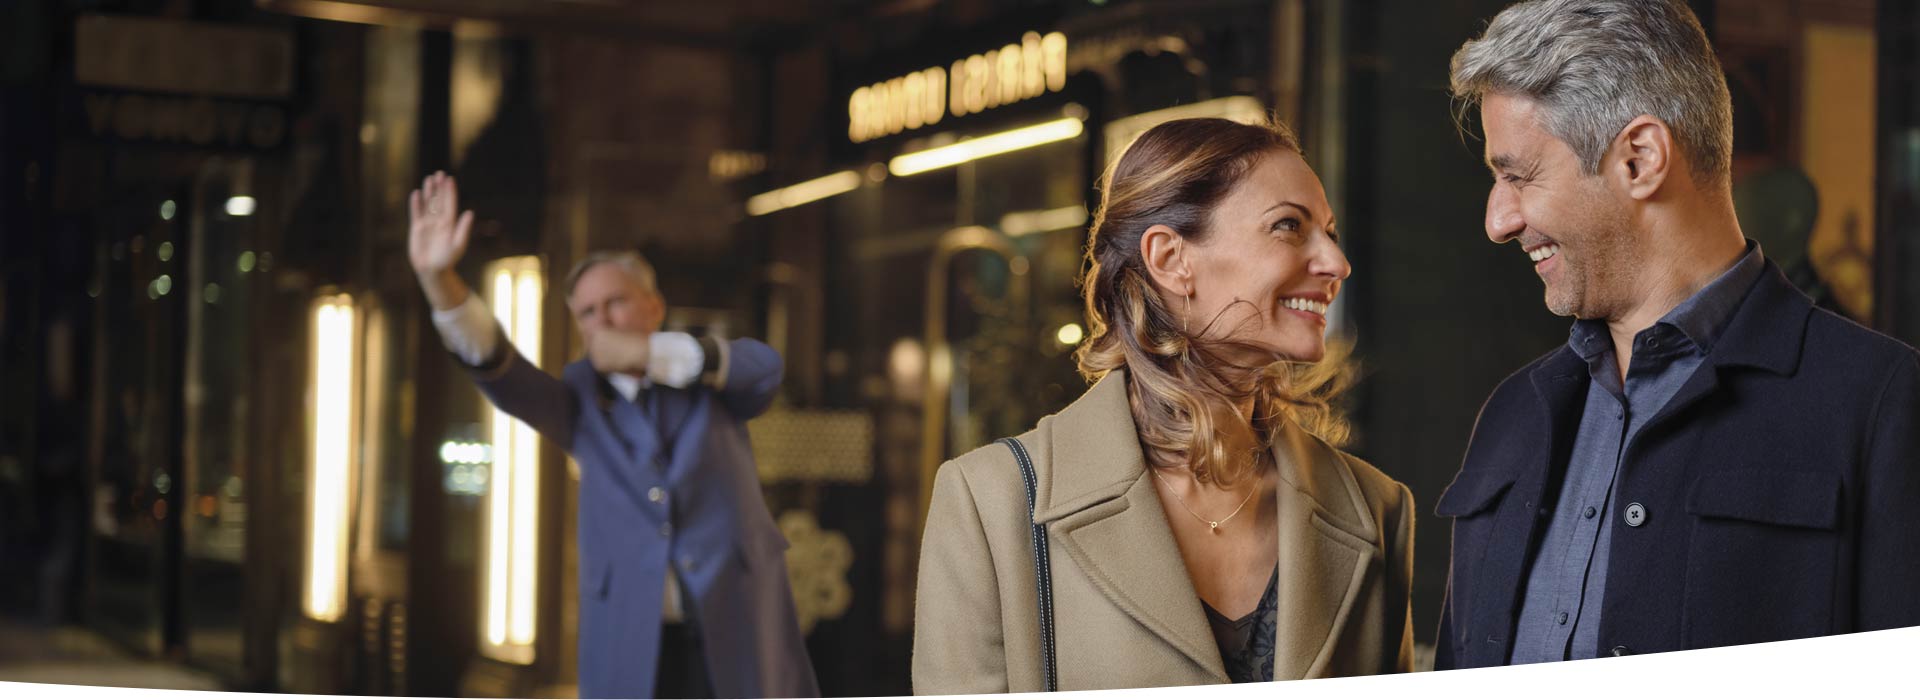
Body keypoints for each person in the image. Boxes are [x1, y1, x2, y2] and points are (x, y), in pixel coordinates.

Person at [1436, 0, 1920, 669]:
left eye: (1517, 175)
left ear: (1639, 159)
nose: (1498, 220)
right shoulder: (1511, 415)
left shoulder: (1885, 404)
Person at [913, 118, 1414, 692]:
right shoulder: (991, 501)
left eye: (1330, 231)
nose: (1336, 262)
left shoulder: (1377, 510)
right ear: (1171, 257)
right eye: (1288, 227)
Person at [406, 172, 819, 698]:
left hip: (736, 622)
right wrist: (440, 281)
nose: (602, 320)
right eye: (587, 313)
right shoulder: (577, 398)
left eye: (616, 303)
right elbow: (499, 369)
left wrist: (651, 354)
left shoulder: (707, 374)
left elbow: (764, 370)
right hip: (633, 636)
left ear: (654, 306)